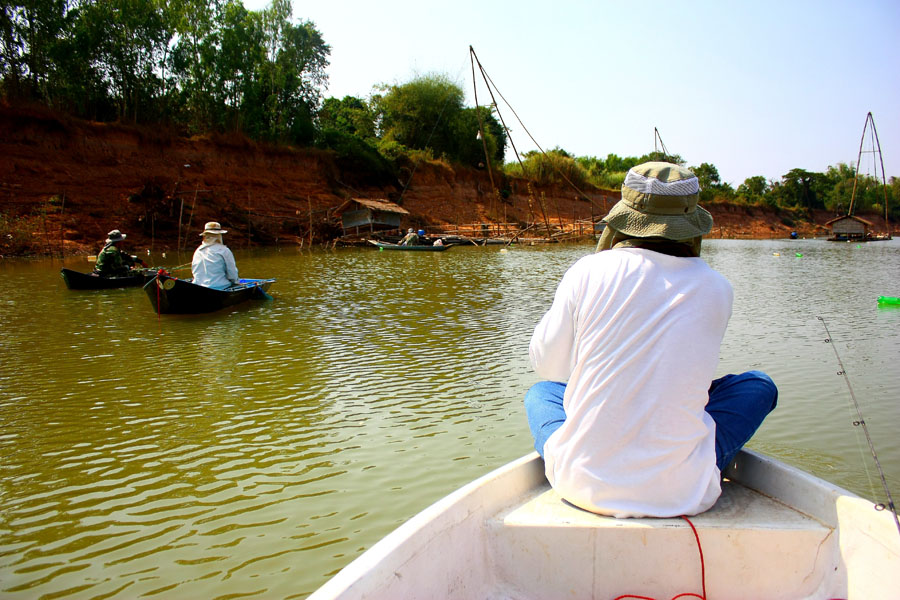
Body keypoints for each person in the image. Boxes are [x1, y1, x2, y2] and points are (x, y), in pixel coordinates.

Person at [525, 161, 777, 519]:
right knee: (759, 386)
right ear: (690, 224)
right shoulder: (719, 288)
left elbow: (548, 367)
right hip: (683, 491)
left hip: (580, 485)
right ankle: (684, 462)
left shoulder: (587, 270)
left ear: (625, 217)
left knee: (540, 394)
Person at [192, 221, 239, 289]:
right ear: (219, 235)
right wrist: (236, 282)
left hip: (198, 286)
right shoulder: (224, 250)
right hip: (220, 286)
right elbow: (232, 274)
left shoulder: (198, 250)